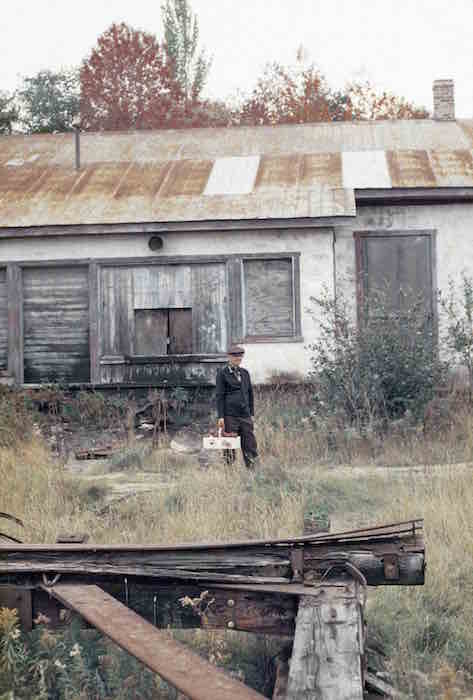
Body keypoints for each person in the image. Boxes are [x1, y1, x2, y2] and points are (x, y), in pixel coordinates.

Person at [216, 345, 258, 469]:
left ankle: (252, 470)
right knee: (229, 445)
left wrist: (251, 413)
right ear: (229, 357)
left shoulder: (245, 373)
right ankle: (230, 472)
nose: (237, 358)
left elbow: (250, 393)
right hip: (230, 415)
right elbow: (220, 396)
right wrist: (221, 417)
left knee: (250, 444)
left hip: (245, 415)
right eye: (235, 356)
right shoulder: (222, 374)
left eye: (240, 356)